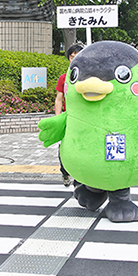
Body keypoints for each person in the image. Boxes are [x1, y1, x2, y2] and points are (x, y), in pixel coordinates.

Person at [55, 43, 84, 186]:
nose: (74, 60)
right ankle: (65, 172)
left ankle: (79, 180)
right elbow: (59, 98)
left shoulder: (87, 78)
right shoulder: (64, 78)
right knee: (64, 148)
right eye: (72, 57)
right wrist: (58, 117)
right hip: (68, 118)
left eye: (78, 57)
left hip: (84, 119)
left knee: (82, 148)